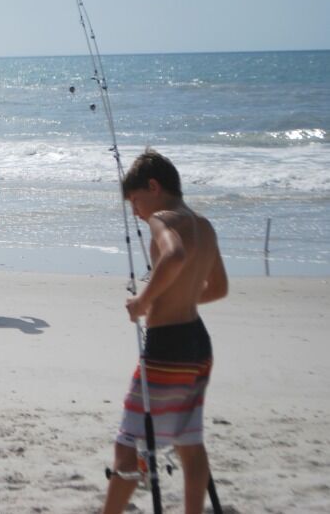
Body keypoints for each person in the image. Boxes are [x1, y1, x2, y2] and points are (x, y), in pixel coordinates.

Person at [102, 148, 228, 514]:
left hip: (166, 349)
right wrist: (179, 295)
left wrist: (145, 301)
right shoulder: (203, 225)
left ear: (153, 187)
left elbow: (174, 257)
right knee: (190, 441)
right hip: (198, 345)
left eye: (136, 201)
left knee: (128, 447)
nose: (136, 213)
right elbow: (218, 288)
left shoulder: (163, 219)